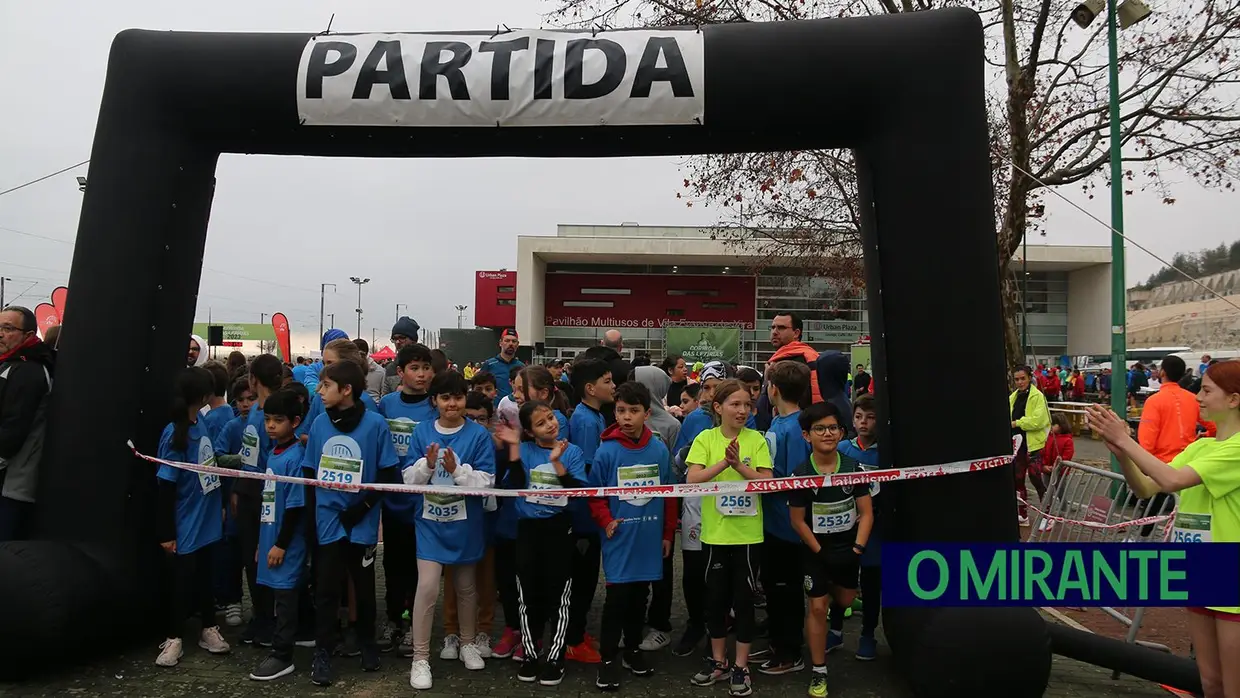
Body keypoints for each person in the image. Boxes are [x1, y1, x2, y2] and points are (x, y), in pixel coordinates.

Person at [1086, 362, 1240, 698]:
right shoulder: (1202, 446)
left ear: (1234, 400)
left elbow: (1172, 480)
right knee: (1210, 682)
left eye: (1207, 390)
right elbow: (1145, 487)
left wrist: (1126, 441)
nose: (1198, 396)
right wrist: (1121, 452)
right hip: (1201, 571)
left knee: (1234, 687)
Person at [301, 360, 402, 686]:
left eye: (325, 385)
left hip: (362, 520)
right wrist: (312, 519)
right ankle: (323, 652)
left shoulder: (375, 425)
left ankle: (367, 642)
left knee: (363, 587)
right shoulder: (318, 424)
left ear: (346, 390)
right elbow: (309, 474)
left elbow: (389, 474)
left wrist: (364, 507)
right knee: (327, 588)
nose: (319, 391)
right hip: (328, 520)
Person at [403, 370, 496, 689]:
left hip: (466, 525)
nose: (452, 404)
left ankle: (468, 642)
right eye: (445, 398)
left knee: (467, 586)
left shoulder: (478, 435)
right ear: (435, 401)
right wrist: (427, 466)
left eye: (457, 397)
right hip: (429, 524)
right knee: (427, 587)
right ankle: (420, 658)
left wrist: (458, 471)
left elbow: (487, 482)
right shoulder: (421, 432)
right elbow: (408, 480)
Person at [686, 379, 774, 697]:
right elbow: (692, 478)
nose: (742, 410)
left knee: (745, 602)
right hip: (715, 535)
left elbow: (767, 481)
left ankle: (741, 665)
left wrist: (740, 466)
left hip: (748, 536)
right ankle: (718, 661)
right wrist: (724, 462)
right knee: (715, 602)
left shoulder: (757, 440)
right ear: (718, 407)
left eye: (747, 405)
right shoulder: (705, 439)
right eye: (735, 404)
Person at [588, 381, 675, 690]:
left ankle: (633, 650)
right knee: (617, 599)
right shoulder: (607, 450)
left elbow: (669, 494)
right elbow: (595, 494)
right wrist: (606, 520)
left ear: (646, 413)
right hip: (619, 538)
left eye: (633, 411)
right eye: (620, 410)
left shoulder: (658, 449)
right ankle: (608, 658)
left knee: (640, 597)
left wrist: (667, 534)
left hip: (649, 537)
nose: (625, 417)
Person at [499, 400, 589, 686]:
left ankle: (556, 656)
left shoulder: (572, 451)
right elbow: (512, 486)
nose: (550, 424)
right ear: (529, 431)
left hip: (559, 529)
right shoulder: (524, 451)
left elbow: (577, 493)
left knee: (559, 596)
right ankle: (530, 653)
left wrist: (556, 462)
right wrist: (513, 448)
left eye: (550, 417)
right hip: (528, 529)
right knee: (526, 594)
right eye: (541, 423)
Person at [789, 401, 873, 698]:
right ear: (806, 435)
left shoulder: (854, 469)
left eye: (833, 428)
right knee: (816, 606)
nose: (827, 433)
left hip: (849, 549)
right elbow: (797, 521)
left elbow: (867, 513)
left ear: (841, 432)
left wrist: (858, 549)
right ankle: (819, 670)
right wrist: (819, 552)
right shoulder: (800, 474)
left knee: (846, 599)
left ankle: (836, 626)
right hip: (816, 551)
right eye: (819, 428)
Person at [154, 367, 232, 667]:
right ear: (201, 395)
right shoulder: (174, 433)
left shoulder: (202, 422)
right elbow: (166, 485)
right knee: (182, 580)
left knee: (205, 575)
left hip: (209, 513)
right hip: (186, 517)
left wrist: (221, 504)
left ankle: (208, 629)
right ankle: (174, 637)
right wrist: (166, 532)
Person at [376, 343, 438, 655]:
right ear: (400, 372)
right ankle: (393, 619)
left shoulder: (436, 406)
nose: (422, 374)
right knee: (393, 562)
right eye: (414, 368)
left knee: (420, 566)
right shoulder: (386, 405)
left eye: (426, 367)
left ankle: (416, 624)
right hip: (393, 499)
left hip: (425, 503)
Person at [754, 361, 813, 676]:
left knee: (785, 588)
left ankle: (790, 651)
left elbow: (790, 477)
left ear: (772, 388)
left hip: (786, 524)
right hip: (773, 521)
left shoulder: (793, 427)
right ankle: (779, 642)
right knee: (774, 587)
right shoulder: (782, 422)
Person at [248, 389, 309, 682]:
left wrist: (281, 544)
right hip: (271, 539)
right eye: (267, 419)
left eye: (279, 420)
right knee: (283, 595)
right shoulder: (274, 453)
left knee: (284, 598)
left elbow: (296, 508)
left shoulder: (296, 457)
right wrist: (265, 543)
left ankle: (282, 655)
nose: (271, 425)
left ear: (295, 422)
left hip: (288, 543)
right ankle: (301, 635)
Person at [565, 358, 616, 665]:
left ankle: (579, 633)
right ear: (590, 388)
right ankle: (572, 640)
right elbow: (584, 471)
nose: (613, 386)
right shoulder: (584, 420)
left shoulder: (595, 416)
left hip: (591, 512)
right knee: (582, 580)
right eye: (608, 381)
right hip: (584, 515)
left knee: (586, 578)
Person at [630, 365, 683, 651]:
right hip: (630, 508)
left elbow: (675, 468)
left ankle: (660, 623)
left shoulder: (671, 425)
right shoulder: (622, 420)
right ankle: (633, 621)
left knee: (662, 568)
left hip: (660, 507)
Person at [832, 393, 882, 659]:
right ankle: (836, 631)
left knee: (872, 583)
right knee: (842, 580)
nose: (864, 422)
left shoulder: (886, 453)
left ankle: (868, 634)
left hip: (875, 530)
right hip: (845, 527)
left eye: (871, 417)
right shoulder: (843, 449)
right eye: (859, 417)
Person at [0, 306, 55, 542]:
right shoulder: (10, 364)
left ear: (28, 335)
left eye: (8, 328)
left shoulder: (29, 370)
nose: (0, 333)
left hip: (11, 484)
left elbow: (13, 429)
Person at [756, 312, 820, 432]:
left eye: (781, 328)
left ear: (796, 333)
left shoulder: (798, 361)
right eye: (773, 327)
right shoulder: (782, 358)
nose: (774, 332)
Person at [1009, 365, 1050, 526]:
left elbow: (1038, 421)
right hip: (1017, 445)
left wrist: (1017, 423)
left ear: (1029, 378)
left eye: (1022, 379)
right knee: (1018, 480)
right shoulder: (1012, 397)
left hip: (1034, 446)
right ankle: (1023, 514)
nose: (1020, 382)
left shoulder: (1038, 397)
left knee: (1036, 479)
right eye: (1017, 379)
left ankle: (1048, 516)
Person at [381, 317, 421, 397]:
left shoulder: (426, 364)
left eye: (402, 338)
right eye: (394, 339)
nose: (397, 342)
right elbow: (385, 399)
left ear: (413, 340)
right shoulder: (391, 368)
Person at [482, 329, 524, 405]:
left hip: (515, 409)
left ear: (517, 344)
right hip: (494, 410)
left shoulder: (521, 367)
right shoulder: (489, 364)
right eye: (507, 341)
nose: (510, 344)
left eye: (514, 341)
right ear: (500, 343)